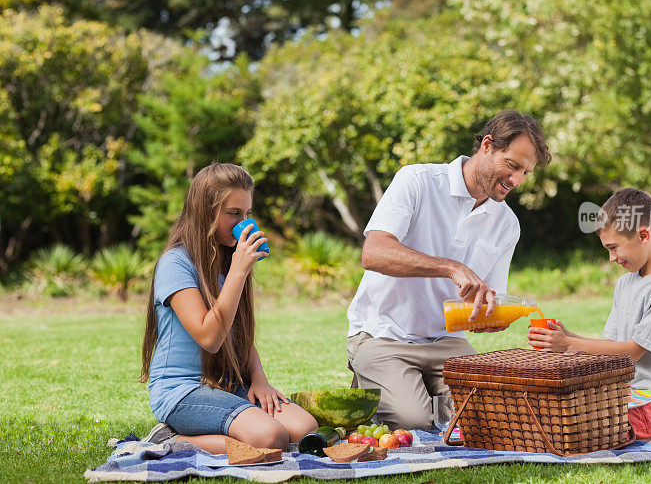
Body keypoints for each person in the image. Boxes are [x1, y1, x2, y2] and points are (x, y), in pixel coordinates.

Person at [347, 109, 551, 429]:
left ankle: (406, 391)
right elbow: (374, 252)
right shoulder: (417, 180)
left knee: (492, 416)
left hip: (447, 343)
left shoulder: (507, 223)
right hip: (383, 334)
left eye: (526, 172)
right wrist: (450, 268)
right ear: (487, 146)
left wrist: (488, 316)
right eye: (512, 166)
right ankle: (379, 383)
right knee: (412, 419)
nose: (517, 180)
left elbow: (484, 298)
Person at [139, 163, 318, 453]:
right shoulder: (176, 263)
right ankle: (172, 440)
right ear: (205, 212)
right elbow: (209, 338)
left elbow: (238, 330)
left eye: (247, 214)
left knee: (303, 430)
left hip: (226, 385)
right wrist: (238, 272)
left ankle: (242, 431)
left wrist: (260, 380)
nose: (243, 222)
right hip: (182, 391)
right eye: (234, 213)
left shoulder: (227, 258)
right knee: (271, 438)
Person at [528, 188, 651, 439]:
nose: (611, 258)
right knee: (567, 409)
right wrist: (567, 339)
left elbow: (632, 351)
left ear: (643, 236)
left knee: (599, 422)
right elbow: (612, 347)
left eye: (614, 248)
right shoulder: (625, 283)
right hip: (629, 395)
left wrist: (569, 343)